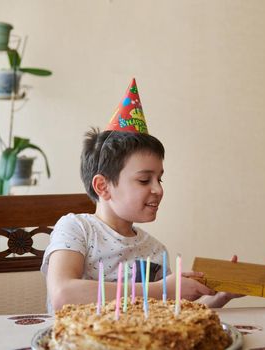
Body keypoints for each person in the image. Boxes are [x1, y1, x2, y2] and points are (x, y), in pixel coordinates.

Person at [41, 79, 237, 313]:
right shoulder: (77, 228)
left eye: (159, 179)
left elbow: (170, 313)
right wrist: (161, 289)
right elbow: (63, 294)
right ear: (103, 186)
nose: (158, 189)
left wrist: (219, 297)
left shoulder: (155, 250)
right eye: (144, 180)